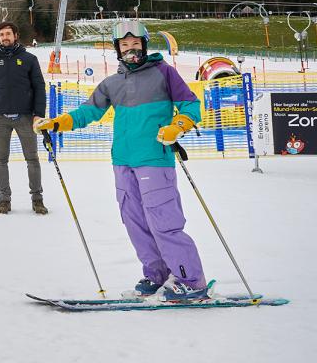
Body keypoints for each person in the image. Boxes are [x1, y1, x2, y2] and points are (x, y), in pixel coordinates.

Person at [35, 19, 210, 301]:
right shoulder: (112, 83)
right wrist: (57, 123)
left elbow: (190, 103)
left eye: (135, 44)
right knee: (135, 221)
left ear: (144, 46)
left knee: (164, 221)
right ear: (118, 49)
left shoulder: (164, 73)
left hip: (154, 159)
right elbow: (87, 112)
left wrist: (178, 125)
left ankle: (191, 280)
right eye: (125, 45)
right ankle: (157, 275)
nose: (131, 49)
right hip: (123, 162)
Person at [0, 22, 47, 215]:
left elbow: (39, 88)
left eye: (8, 33)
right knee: (1, 160)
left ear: (16, 35)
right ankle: (4, 200)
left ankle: (37, 199)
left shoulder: (29, 59)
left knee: (32, 159)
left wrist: (38, 114)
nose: (5, 37)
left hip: (25, 117)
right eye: (1, 34)